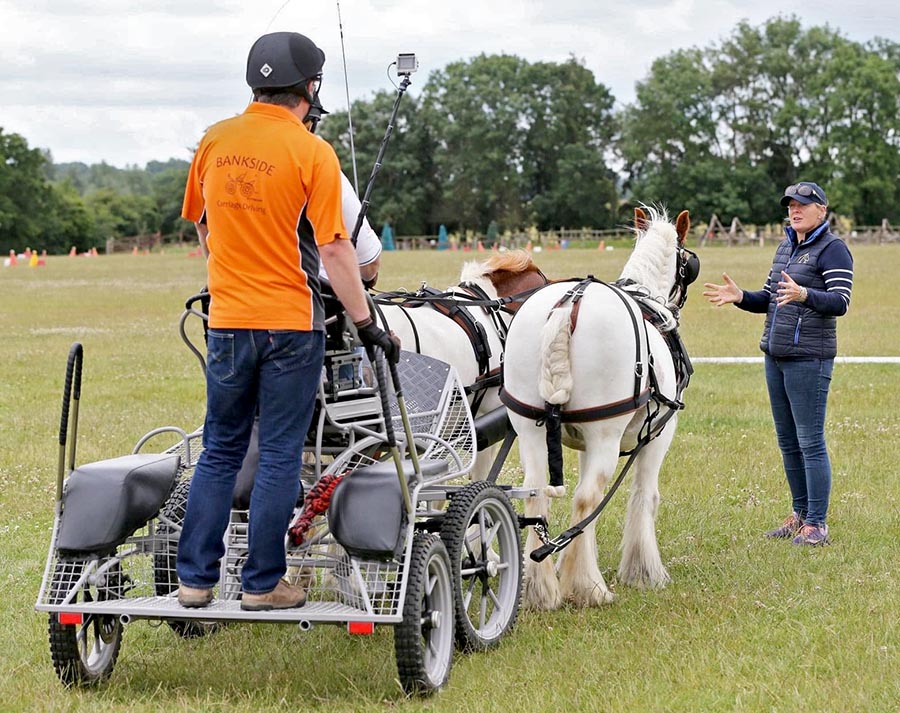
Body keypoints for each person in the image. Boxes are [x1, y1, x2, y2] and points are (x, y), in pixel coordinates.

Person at [176, 30, 399, 611]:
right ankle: (262, 584)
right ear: (310, 86)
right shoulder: (311, 151)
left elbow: (203, 225)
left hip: (227, 321)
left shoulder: (215, 140)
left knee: (219, 449)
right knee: (278, 452)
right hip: (291, 325)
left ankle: (195, 579)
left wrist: (229, 273)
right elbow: (336, 250)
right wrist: (366, 322)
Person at [703, 181, 853, 546]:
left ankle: (816, 523)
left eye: (802, 204)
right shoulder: (786, 246)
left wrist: (804, 294)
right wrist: (741, 296)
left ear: (821, 210)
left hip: (809, 359)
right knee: (788, 441)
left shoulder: (833, 249)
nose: (794, 210)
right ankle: (799, 513)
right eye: (790, 205)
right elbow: (770, 298)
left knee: (810, 441)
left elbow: (840, 301)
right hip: (776, 355)